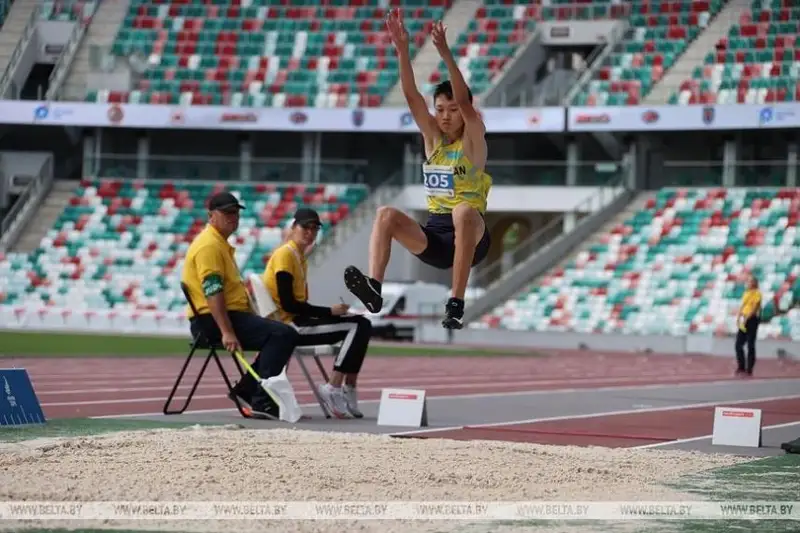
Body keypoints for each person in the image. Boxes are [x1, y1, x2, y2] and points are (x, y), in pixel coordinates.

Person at [343, 10, 492, 330]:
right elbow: (412, 97)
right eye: (440, 110)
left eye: (453, 110)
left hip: (472, 237)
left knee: (464, 210)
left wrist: (445, 53)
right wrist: (402, 51)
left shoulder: (473, 141)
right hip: (436, 240)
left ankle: (456, 302)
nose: (447, 116)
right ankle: (374, 289)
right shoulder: (433, 141)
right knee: (384, 214)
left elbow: (466, 103)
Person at [181, 191, 300, 419]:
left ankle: (249, 390)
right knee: (283, 335)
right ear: (210, 216)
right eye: (227, 213)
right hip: (213, 321)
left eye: (235, 213)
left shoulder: (219, 244)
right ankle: (259, 398)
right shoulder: (209, 246)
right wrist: (226, 332)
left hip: (225, 317)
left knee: (282, 333)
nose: (233, 218)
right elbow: (212, 291)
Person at [264, 207, 373, 419]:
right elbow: (289, 305)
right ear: (293, 228)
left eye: (314, 228)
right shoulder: (286, 255)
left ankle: (347, 385)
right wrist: (329, 311)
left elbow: (298, 305)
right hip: (292, 327)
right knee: (358, 325)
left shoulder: (298, 257)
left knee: (359, 323)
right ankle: (335, 386)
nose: (310, 232)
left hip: (299, 321)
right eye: (305, 227)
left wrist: (331, 314)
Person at [735, 274, 762, 377]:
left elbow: (754, 308)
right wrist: (739, 316)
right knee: (738, 344)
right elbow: (743, 305)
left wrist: (746, 318)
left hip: (752, 320)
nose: (748, 283)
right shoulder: (746, 293)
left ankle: (749, 368)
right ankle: (741, 366)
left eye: (750, 281)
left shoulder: (757, 294)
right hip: (744, 319)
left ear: (754, 283)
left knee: (750, 344)